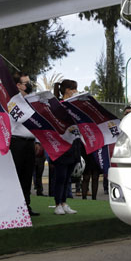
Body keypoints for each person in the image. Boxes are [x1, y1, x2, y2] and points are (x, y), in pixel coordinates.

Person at [10, 72, 39, 217]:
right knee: (17, 174)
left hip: (30, 142)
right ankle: (14, 206)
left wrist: (38, 140)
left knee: (28, 175)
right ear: (19, 85)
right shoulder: (13, 102)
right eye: (26, 82)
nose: (29, 85)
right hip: (17, 142)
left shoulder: (34, 101)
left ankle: (26, 205)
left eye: (30, 82)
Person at [51, 79, 81, 215]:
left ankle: (64, 203)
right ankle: (57, 204)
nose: (75, 91)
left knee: (68, 177)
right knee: (60, 177)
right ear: (67, 90)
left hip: (74, 144)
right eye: (73, 89)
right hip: (61, 145)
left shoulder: (76, 105)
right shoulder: (59, 105)